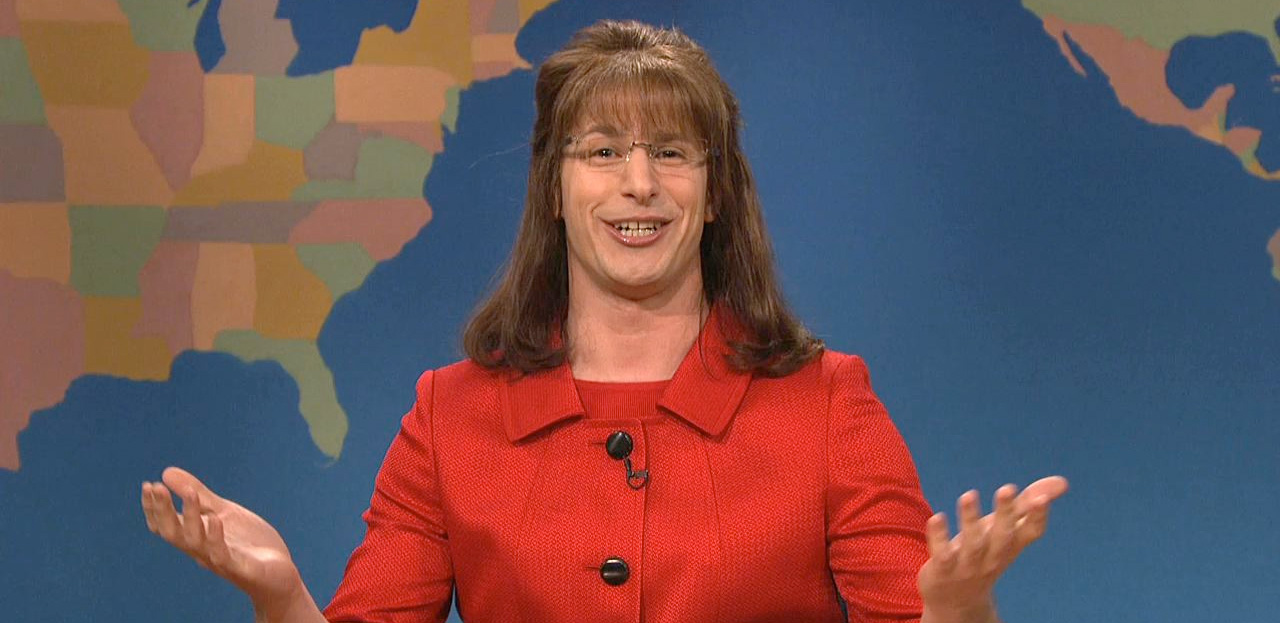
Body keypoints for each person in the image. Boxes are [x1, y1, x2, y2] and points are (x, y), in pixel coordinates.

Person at [140, 19, 1068, 623]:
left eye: (672, 153)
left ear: (714, 195)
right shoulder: (448, 417)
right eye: (602, 152)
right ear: (554, 187)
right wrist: (283, 597)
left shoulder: (828, 405)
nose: (639, 184)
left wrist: (960, 608)